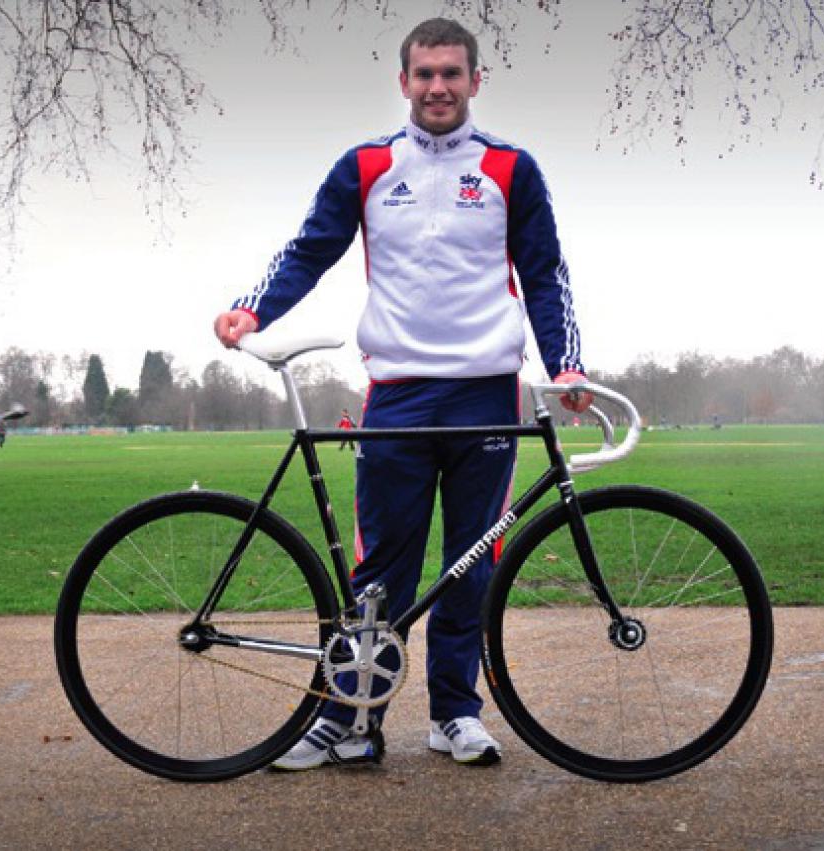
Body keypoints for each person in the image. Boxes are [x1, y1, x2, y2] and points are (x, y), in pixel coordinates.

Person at [213, 17, 591, 771]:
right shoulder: (367, 165)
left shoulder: (513, 170)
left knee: (470, 565)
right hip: (398, 396)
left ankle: (455, 713)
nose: (439, 87)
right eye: (425, 74)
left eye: (452, 73)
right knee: (381, 571)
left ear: (476, 81)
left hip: (487, 395)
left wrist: (568, 365)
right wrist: (253, 310)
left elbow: (545, 273)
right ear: (404, 82)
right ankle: (352, 717)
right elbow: (310, 248)